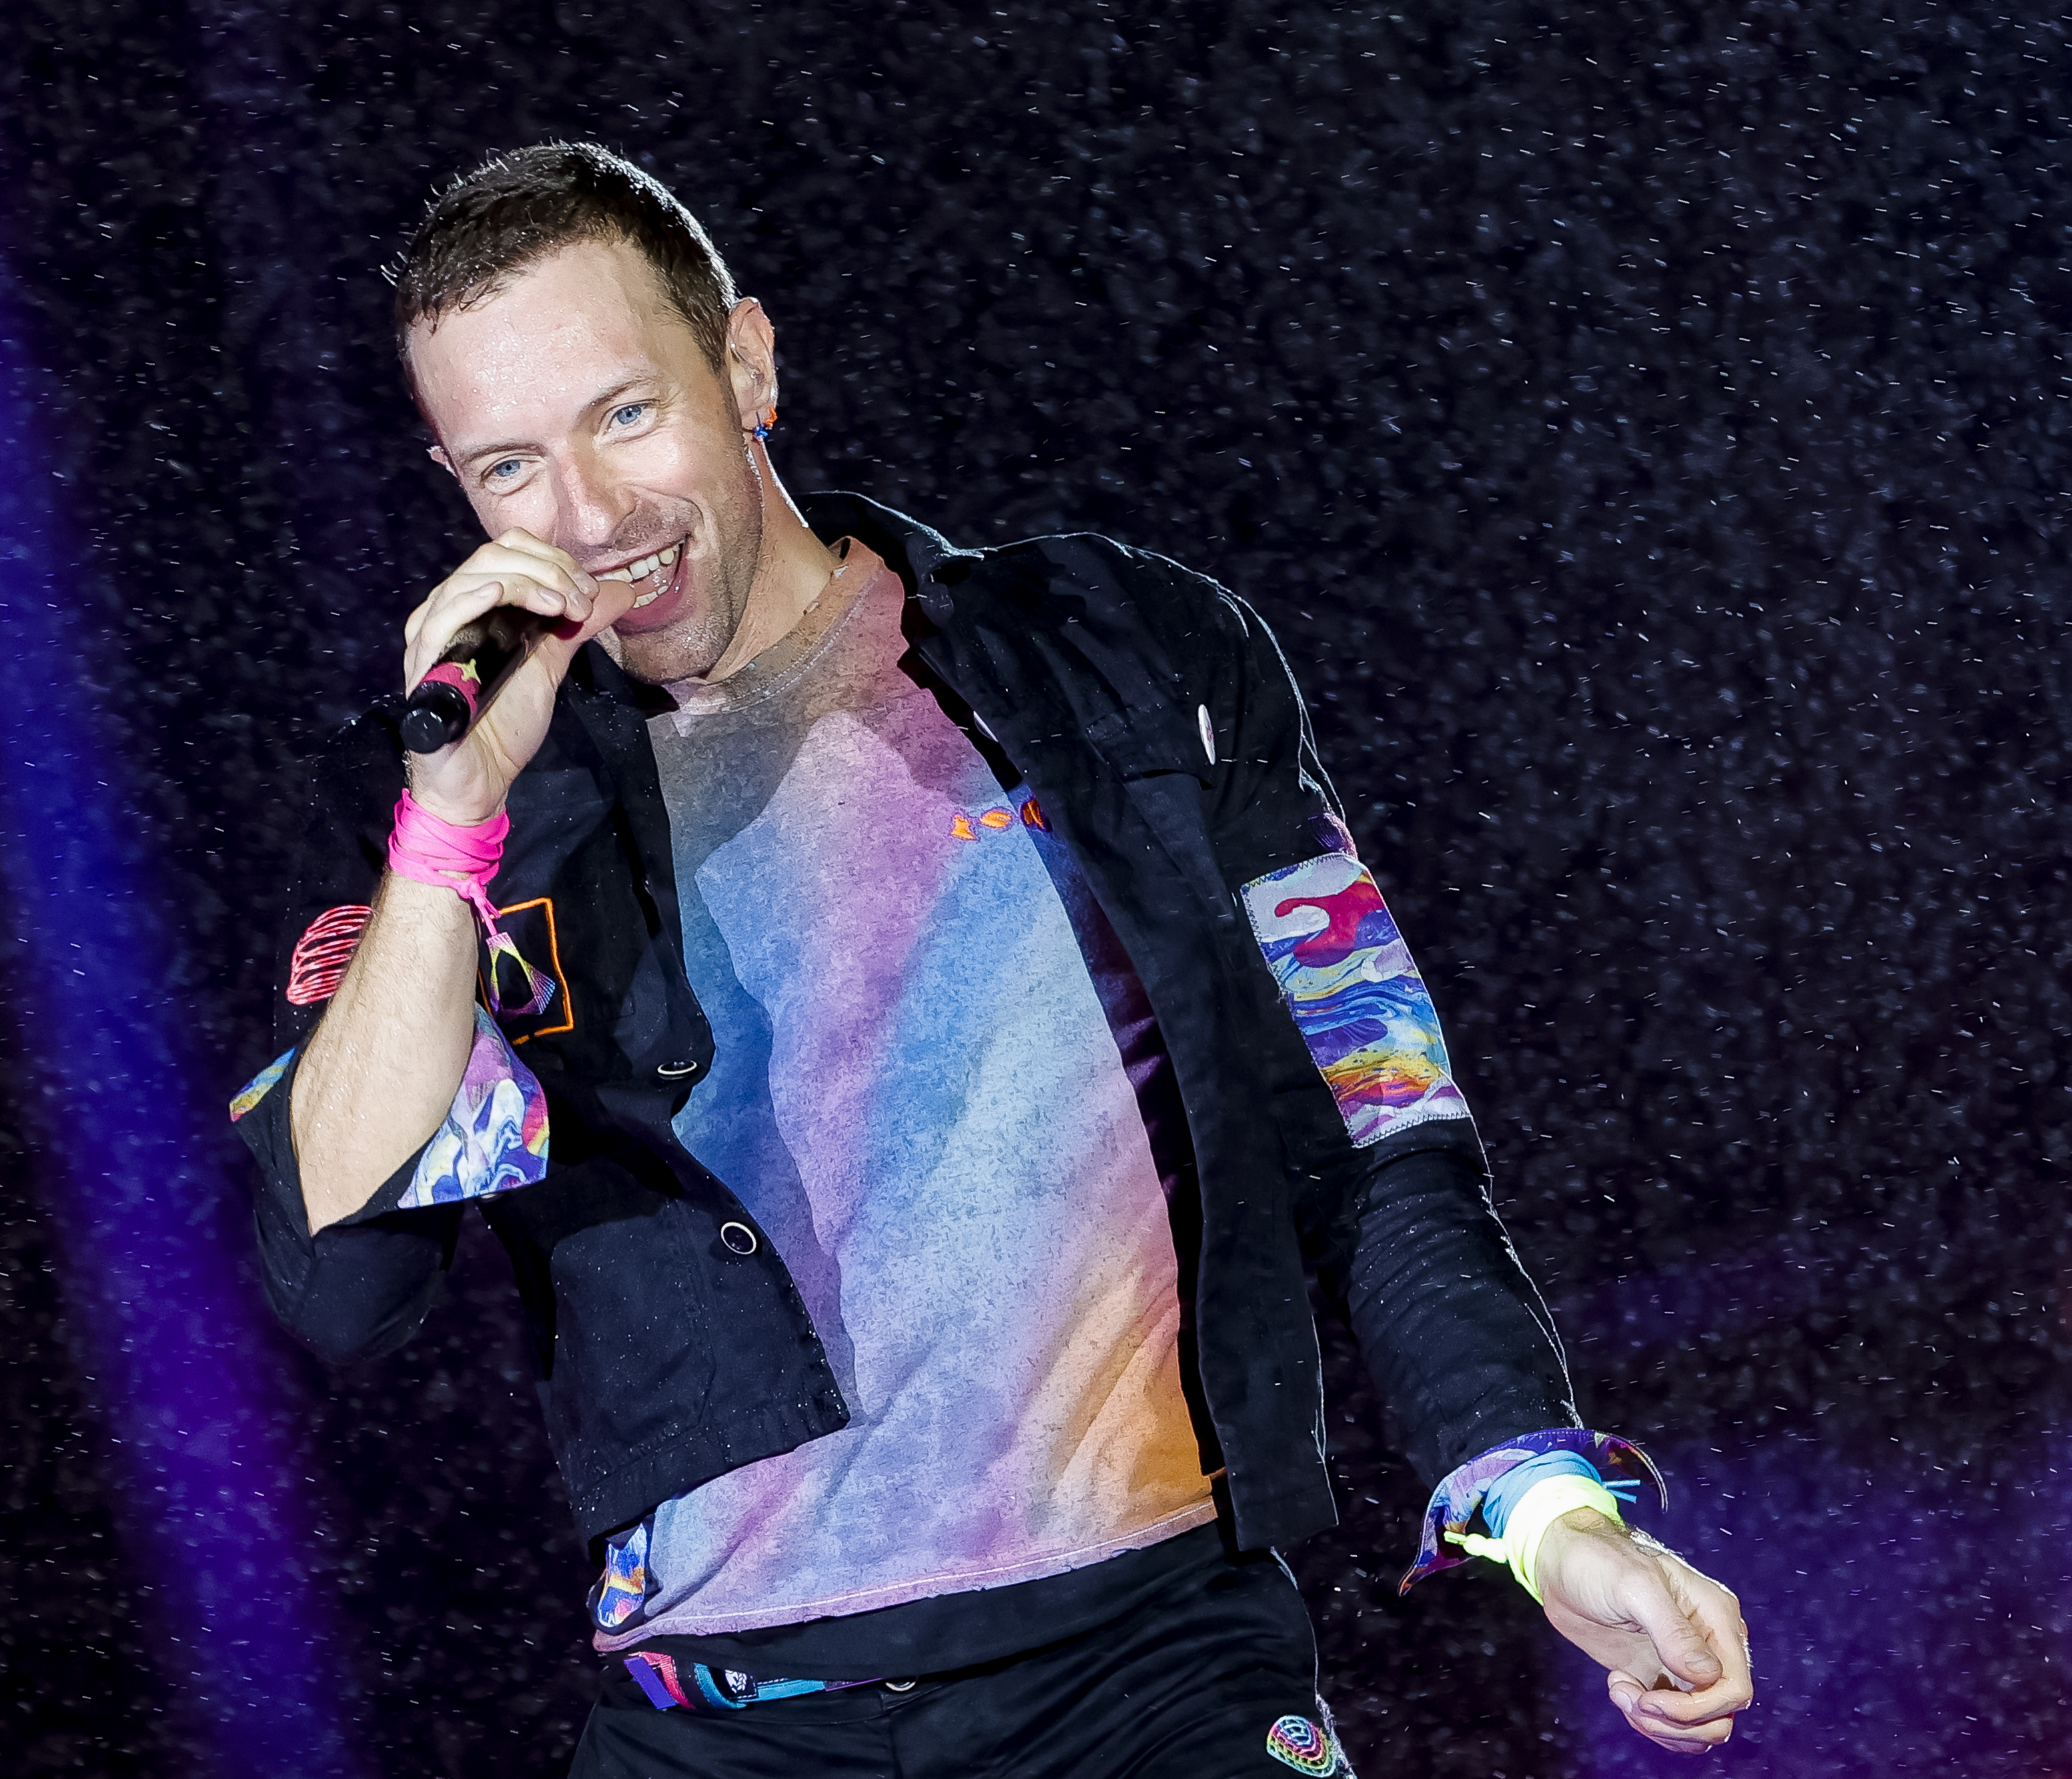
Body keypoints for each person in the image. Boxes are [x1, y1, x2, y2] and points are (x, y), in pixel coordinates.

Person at [230, 141, 1751, 1776]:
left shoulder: (1126, 657)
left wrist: (1540, 1502)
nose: (590, 519)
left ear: (744, 359)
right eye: (506, 467)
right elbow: (339, 1280)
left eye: (623, 415)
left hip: (1152, 1675)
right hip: (724, 1729)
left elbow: (1373, 1114)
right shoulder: (442, 805)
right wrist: (452, 821)